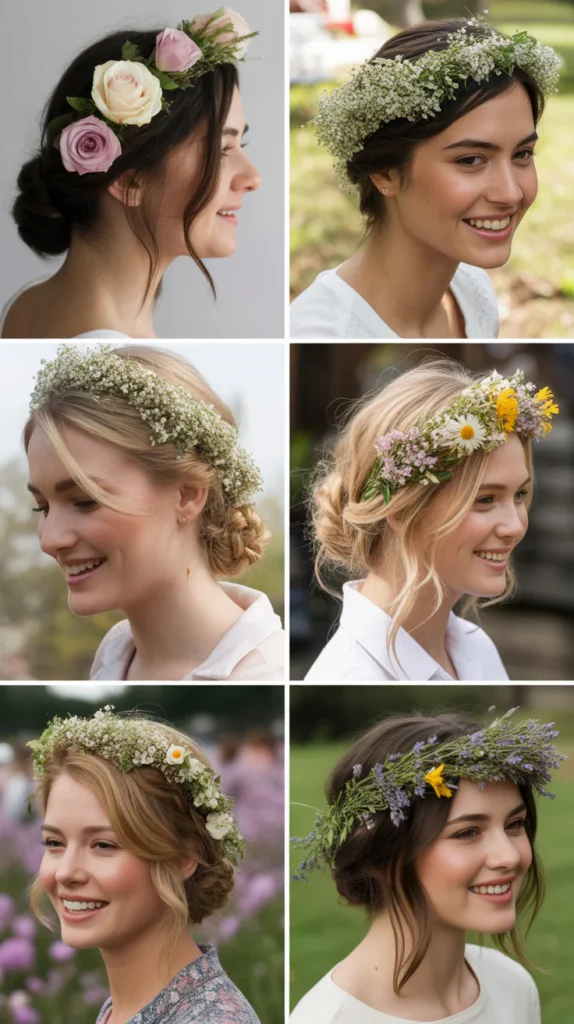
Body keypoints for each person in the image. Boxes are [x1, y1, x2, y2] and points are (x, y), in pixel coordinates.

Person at [25, 344, 284, 681]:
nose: (50, 540)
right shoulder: (114, 653)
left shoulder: (265, 674)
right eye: (42, 507)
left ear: (187, 494)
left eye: (85, 500)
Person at [290, 17, 560, 339]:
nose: (511, 193)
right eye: (470, 160)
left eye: (522, 154)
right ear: (384, 172)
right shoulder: (320, 334)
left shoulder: (473, 292)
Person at [291, 708, 565, 1024]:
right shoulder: (331, 1018)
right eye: (468, 832)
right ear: (383, 853)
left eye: (514, 824)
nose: (510, 857)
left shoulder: (512, 987)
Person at [3, 10, 260, 339]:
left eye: (241, 144)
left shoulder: (28, 303)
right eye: (221, 149)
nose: (252, 178)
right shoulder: (117, 352)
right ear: (128, 179)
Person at [305, 360, 558, 681]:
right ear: (401, 509)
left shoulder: (476, 647)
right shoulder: (352, 676)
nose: (515, 527)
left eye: (520, 495)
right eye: (485, 500)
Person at [28, 705, 262, 1024]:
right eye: (54, 843)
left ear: (183, 858)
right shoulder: (126, 1009)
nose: (65, 873)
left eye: (103, 845)